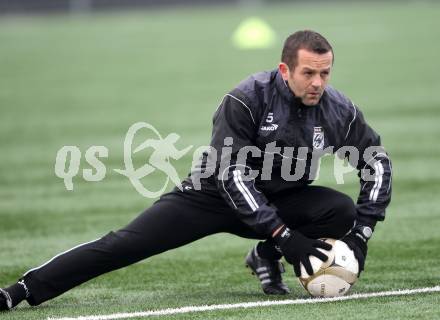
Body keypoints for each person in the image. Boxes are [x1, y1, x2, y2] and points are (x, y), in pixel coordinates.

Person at [0, 30, 392, 311]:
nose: (318, 83)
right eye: (309, 73)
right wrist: (285, 236)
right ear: (285, 70)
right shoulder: (247, 99)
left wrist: (361, 234)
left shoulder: (338, 110)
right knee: (124, 245)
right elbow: (232, 177)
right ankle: (20, 291)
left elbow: (376, 163)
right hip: (212, 196)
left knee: (339, 211)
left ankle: (263, 255)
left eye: (325, 73)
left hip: (284, 198)